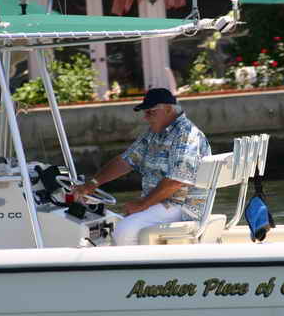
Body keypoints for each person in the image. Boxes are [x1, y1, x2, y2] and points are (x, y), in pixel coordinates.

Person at [73, 88, 211, 246]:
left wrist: (142, 204)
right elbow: (126, 161)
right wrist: (92, 184)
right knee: (120, 225)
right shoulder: (154, 133)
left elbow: (176, 181)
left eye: (150, 112)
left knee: (124, 230)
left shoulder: (186, 134)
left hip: (182, 207)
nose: (145, 117)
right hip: (162, 204)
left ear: (168, 109)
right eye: (145, 113)